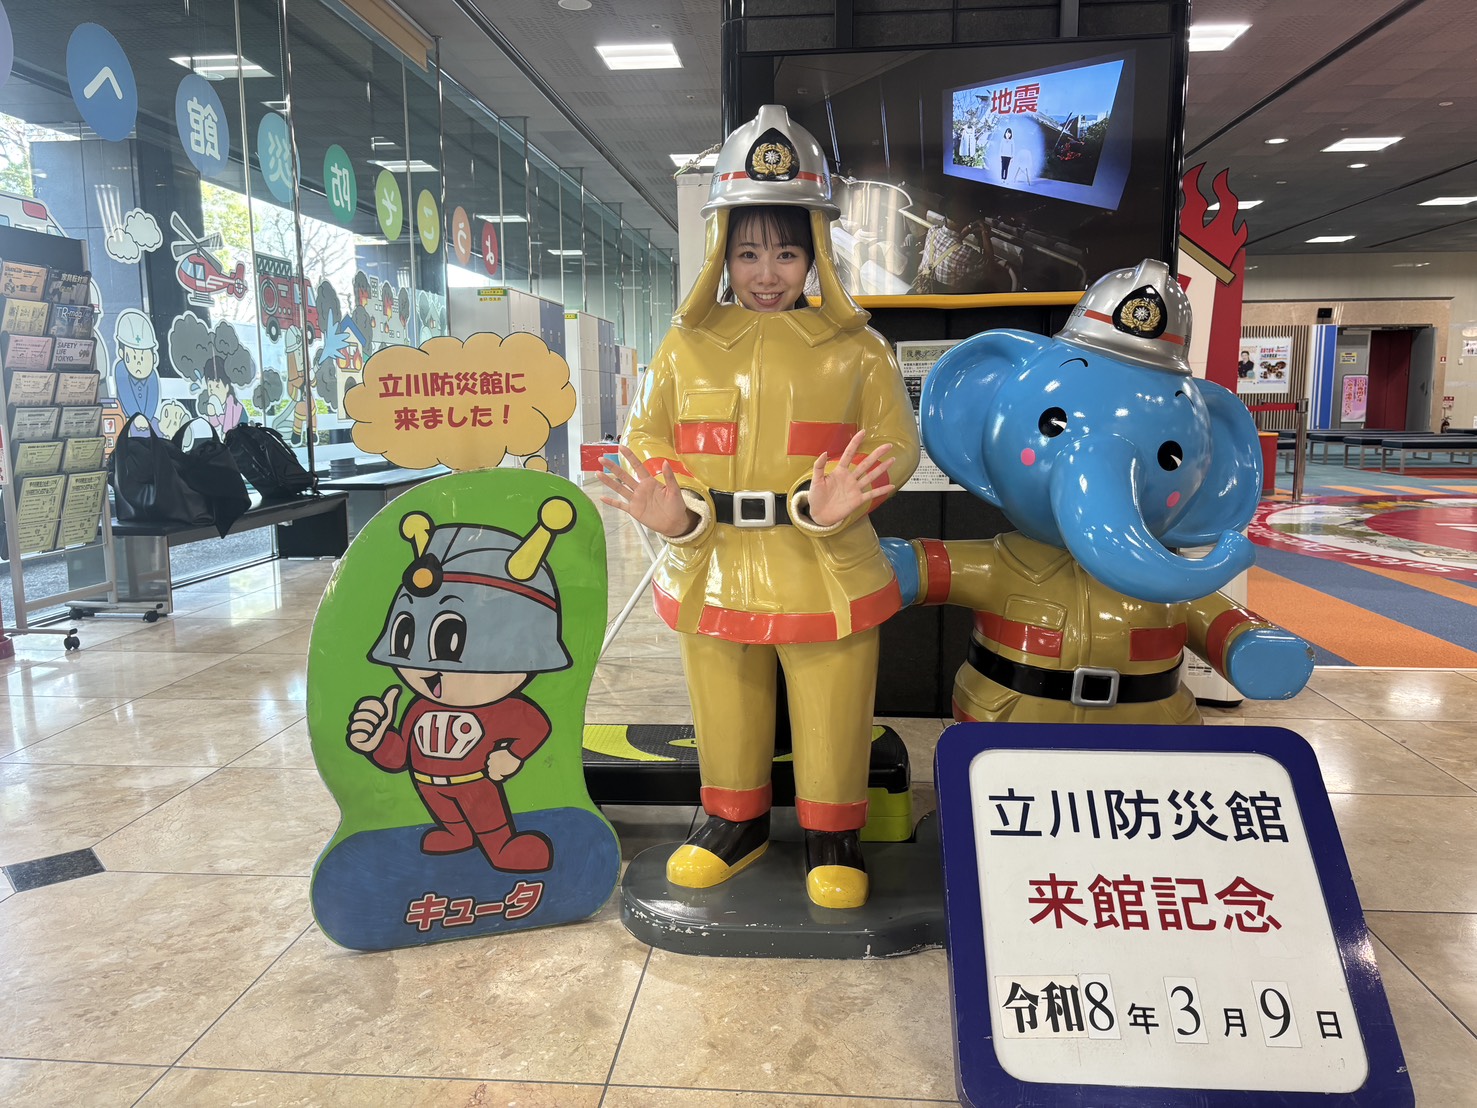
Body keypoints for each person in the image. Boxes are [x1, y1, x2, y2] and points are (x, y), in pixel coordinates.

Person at [599, 105, 920, 911]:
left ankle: (832, 837)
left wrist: (847, 495)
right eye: (747, 252)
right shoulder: (685, 345)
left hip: (825, 563)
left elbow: (896, 442)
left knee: (833, 709)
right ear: (721, 252)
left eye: (785, 251)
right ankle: (731, 823)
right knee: (724, 706)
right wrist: (673, 509)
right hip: (714, 561)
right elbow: (649, 436)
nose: (766, 272)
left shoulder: (859, 349)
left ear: (815, 253)